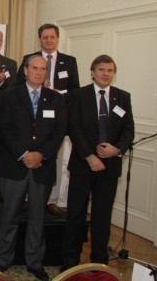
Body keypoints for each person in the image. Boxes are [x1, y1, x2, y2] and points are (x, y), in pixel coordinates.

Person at [0, 55, 67, 281]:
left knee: (38, 218)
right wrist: (24, 154)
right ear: (25, 70)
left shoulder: (56, 99)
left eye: (43, 69)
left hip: (42, 167)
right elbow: (4, 128)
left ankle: (35, 262)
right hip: (14, 165)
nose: (38, 72)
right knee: (9, 216)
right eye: (34, 68)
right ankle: (2, 260)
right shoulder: (10, 95)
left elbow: (59, 132)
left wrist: (40, 155)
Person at [61, 55, 134, 271]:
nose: (105, 74)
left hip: (109, 168)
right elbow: (73, 127)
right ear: (92, 72)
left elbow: (129, 130)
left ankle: (99, 263)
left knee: (102, 218)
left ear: (114, 73)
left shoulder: (123, 97)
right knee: (76, 215)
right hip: (83, 165)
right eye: (101, 70)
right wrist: (90, 156)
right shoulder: (79, 95)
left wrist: (117, 149)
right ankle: (70, 261)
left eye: (109, 70)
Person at [17, 24, 80, 216]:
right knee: (29, 156)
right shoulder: (29, 58)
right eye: (45, 37)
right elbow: (18, 85)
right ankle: (27, 198)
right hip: (31, 118)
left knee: (55, 159)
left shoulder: (69, 61)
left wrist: (60, 94)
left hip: (56, 117)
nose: (48, 40)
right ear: (40, 39)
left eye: (52, 37)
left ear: (57, 38)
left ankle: (52, 200)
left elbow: (75, 90)